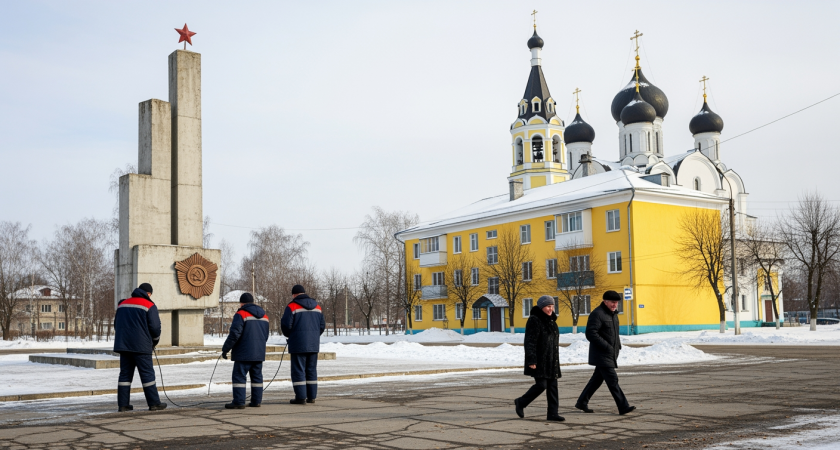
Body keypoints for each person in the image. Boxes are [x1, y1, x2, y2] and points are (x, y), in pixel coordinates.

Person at [575, 290, 635, 415]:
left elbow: (614, 333)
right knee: (613, 380)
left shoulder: (613, 314)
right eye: (612, 302)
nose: (615, 305)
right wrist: (607, 346)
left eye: (616, 303)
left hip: (609, 353)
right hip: (601, 353)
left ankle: (582, 402)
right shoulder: (597, 314)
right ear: (605, 302)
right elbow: (591, 333)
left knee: (596, 380)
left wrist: (617, 345)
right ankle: (623, 406)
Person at [113, 283, 167, 412]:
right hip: (141, 347)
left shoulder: (122, 304)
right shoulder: (149, 305)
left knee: (125, 375)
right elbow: (155, 328)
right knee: (147, 374)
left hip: (124, 346)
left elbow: (116, 325)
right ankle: (154, 403)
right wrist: (154, 342)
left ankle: (123, 405)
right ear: (148, 293)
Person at [514, 296, 565, 422]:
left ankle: (553, 413)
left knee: (553, 387)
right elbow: (530, 341)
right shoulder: (534, 320)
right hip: (539, 360)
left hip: (551, 360)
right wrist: (532, 360)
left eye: (552, 306)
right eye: (548, 306)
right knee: (541, 385)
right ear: (541, 307)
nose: (550, 309)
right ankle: (521, 402)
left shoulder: (552, 321)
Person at [221, 292, 269, 409]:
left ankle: (239, 402)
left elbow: (234, 334)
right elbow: (265, 335)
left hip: (243, 353)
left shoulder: (241, 314)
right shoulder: (265, 316)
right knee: (257, 377)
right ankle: (256, 401)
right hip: (258, 352)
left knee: (239, 377)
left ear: (242, 303)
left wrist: (225, 349)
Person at [280, 285, 325, 404]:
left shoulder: (292, 306)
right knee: (311, 370)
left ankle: (300, 397)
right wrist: (313, 336)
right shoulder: (317, 306)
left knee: (298, 370)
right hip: (313, 344)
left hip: (298, 344)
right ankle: (311, 397)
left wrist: (291, 335)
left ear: (294, 295)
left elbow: (286, 325)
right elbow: (322, 326)